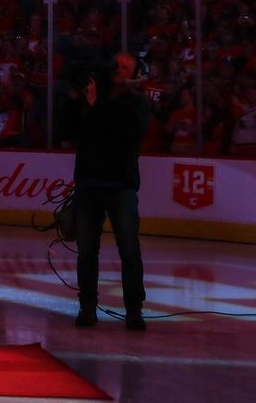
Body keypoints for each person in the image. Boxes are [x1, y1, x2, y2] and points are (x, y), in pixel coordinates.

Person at [73, 52, 150, 331]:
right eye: (115, 64)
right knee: (86, 250)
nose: (118, 69)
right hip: (89, 181)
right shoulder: (92, 95)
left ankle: (133, 309)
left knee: (129, 249)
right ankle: (88, 306)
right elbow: (78, 129)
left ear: (135, 72)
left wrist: (96, 108)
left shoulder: (137, 103)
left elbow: (126, 132)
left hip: (120, 183)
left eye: (125, 66)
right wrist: (92, 105)